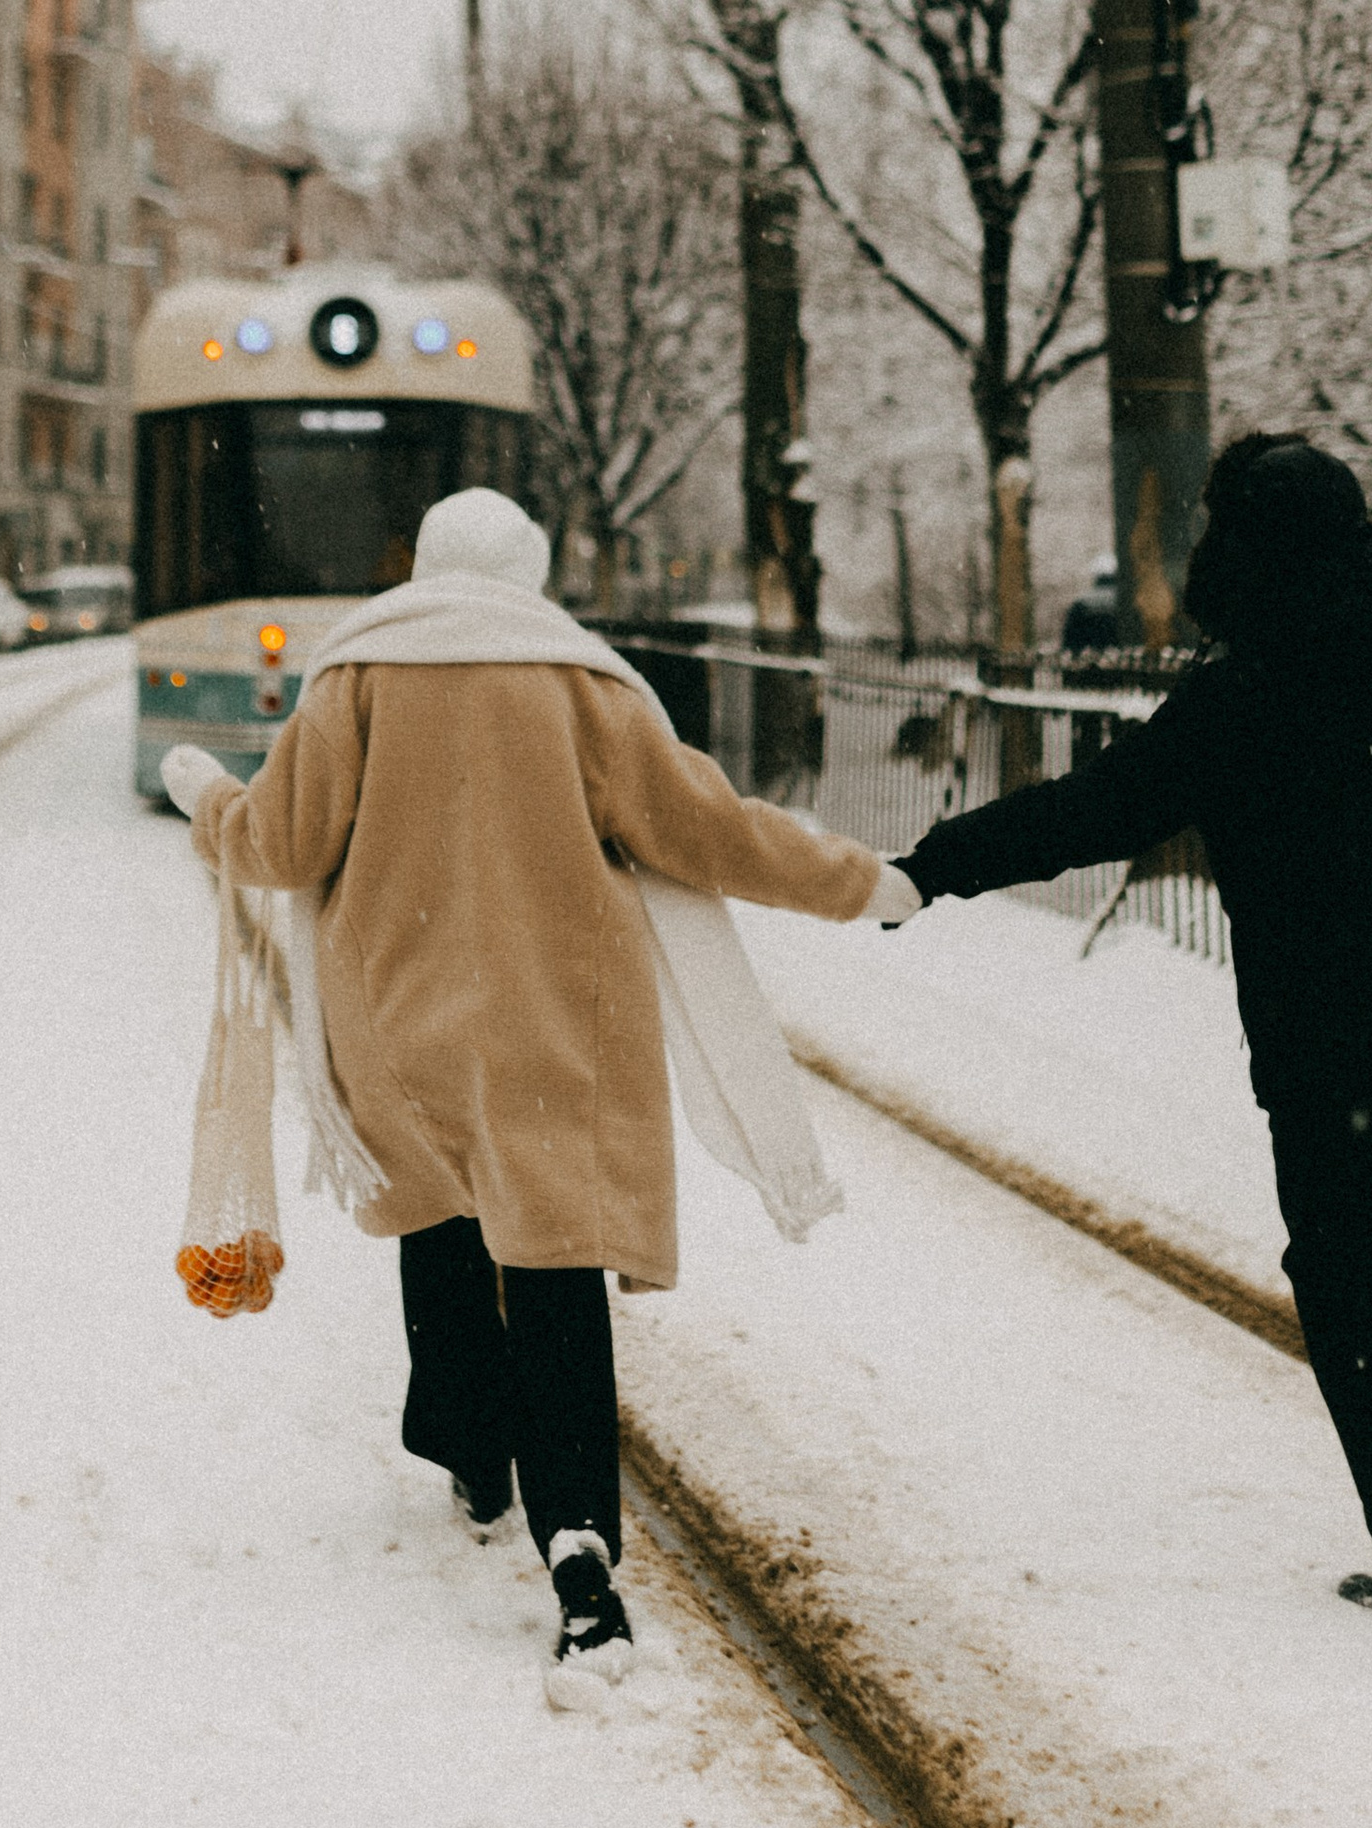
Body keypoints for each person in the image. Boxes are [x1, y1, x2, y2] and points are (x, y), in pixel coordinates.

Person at [894, 433, 1372, 1658]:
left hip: (1326, 1065)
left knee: (1339, 1291)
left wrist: (934, 867)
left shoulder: (1237, 701)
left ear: (1234, 555)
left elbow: (1092, 814)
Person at [165, 488, 916, 1692]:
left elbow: (281, 847)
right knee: (556, 1267)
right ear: (532, 571)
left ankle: (471, 1450)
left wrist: (205, 796)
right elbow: (710, 832)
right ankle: (576, 1540)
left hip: (401, 1021)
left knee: (442, 1223)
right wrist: (859, 883)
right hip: (563, 1027)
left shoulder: (356, 677)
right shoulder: (587, 687)